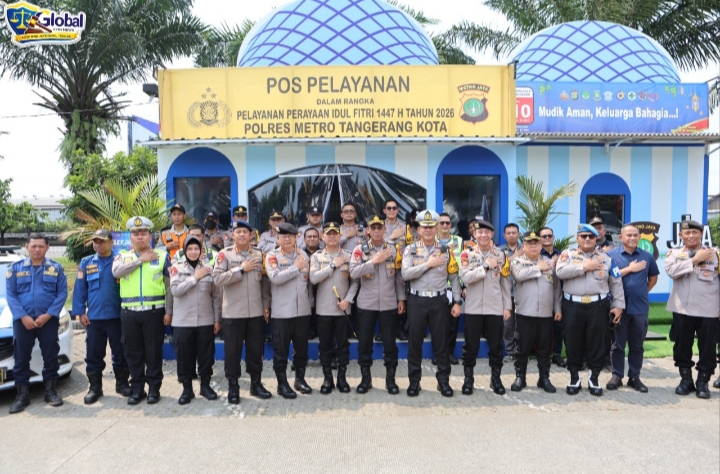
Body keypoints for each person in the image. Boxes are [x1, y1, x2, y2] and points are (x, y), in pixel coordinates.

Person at [556, 224, 624, 396]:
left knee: (597, 342)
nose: (587, 239)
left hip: (598, 306)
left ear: (596, 239)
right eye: (583, 236)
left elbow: (616, 282)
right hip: (573, 305)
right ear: (577, 238)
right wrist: (584, 267)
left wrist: (618, 305)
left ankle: (594, 378)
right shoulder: (567, 255)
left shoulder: (606, 258)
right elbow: (560, 272)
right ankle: (574, 377)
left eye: (591, 236)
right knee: (573, 342)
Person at [112, 216, 174, 405]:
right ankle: (137, 389)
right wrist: (141, 260)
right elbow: (116, 272)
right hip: (129, 313)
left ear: (150, 236)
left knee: (153, 352)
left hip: (154, 312)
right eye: (135, 233)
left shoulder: (162, 256)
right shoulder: (122, 256)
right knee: (133, 353)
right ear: (130, 237)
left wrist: (169, 311)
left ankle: (154, 389)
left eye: (143, 233)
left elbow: (169, 286)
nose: (140, 237)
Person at [402, 210, 462, 397]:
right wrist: (428, 264)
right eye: (424, 227)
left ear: (436, 228)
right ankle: (414, 382)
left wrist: (457, 301)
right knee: (415, 343)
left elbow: (454, 277)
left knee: (441, 343)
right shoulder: (410, 249)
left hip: (439, 300)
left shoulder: (446, 251)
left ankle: (443, 381)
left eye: (431, 227)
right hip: (417, 300)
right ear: (418, 229)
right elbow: (405, 274)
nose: (428, 230)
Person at [7, 233, 67, 414]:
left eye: (41, 246)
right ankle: (22, 395)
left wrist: (48, 315)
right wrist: (23, 317)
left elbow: (62, 293)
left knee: (51, 355)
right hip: (23, 321)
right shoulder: (15, 269)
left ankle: (50, 391)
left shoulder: (56, 268)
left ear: (47, 247)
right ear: (26, 247)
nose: (37, 249)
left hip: (48, 321)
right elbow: (11, 295)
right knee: (21, 358)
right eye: (33, 246)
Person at [212, 220, 272, 404]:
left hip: (255, 312)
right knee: (232, 353)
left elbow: (264, 283)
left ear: (251, 235)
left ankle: (256, 383)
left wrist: (266, 304)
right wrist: (240, 269)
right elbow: (217, 278)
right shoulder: (224, 254)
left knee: (255, 351)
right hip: (233, 313)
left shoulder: (259, 254)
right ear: (232, 235)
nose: (242, 234)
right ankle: (233, 386)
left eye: (245, 232)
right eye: (238, 232)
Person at [72, 230, 131, 405]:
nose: (98, 244)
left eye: (102, 241)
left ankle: (122, 384)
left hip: (117, 317)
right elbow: (80, 289)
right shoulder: (87, 263)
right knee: (93, 354)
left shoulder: (120, 261)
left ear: (111, 242)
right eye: (95, 242)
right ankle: (95, 388)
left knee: (120, 352)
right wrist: (80, 312)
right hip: (94, 319)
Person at [349, 215, 406, 394]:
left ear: (384, 229)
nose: (376, 231)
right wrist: (373, 261)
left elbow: (398, 276)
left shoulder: (393, 249)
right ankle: (366, 379)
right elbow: (353, 272)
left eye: (379, 227)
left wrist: (401, 298)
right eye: (372, 228)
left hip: (389, 303)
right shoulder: (360, 249)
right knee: (364, 344)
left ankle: (391, 380)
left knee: (390, 344)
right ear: (368, 230)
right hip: (366, 304)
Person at [665, 219, 719, 399]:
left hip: (709, 309)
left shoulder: (716, 254)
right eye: (686, 233)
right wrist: (695, 260)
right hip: (683, 308)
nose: (691, 235)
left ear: (701, 234)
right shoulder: (674, 254)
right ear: (680, 235)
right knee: (681, 346)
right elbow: (671, 271)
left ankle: (703, 381)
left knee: (708, 348)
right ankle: (686, 379)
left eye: (695, 232)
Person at [459, 219, 512, 395]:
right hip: (473, 308)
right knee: (470, 346)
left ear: (492, 234)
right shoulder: (466, 254)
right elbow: (466, 278)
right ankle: (468, 380)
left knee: (496, 346)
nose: (483, 235)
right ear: (474, 234)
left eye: (487, 232)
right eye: (480, 232)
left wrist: (507, 306)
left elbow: (505, 283)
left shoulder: (500, 255)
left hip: (494, 307)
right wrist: (485, 266)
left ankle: (496, 379)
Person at [169, 237, 223, 404]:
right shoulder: (176, 268)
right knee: (184, 357)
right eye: (190, 249)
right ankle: (187, 389)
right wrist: (195, 278)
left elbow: (216, 296)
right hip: (183, 322)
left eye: (196, 249)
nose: (193, 252)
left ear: (201, 251)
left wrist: (217, 319)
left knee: (206, 356)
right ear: (185, 251)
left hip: (205, 321)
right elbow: (176, 290)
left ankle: (205, 386)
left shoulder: (209, 269)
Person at [606, 225, 660, 393]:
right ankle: (616, 375)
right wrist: (629, 269)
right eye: (628, 235)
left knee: (637, 346)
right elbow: (608, 277)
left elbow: (653, 279)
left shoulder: (647, 256)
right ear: (621, 237)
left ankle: (634, 377)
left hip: (639, 308)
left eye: (635, 235)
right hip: (618, 308)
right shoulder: (611, 256)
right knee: (617, 345)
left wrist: (641, 292)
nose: (632, 238)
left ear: (639, 237)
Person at [310, 222, 359, 394]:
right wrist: (332, 265)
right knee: (325, 345)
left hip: (343, 309)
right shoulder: (316, 257)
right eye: (328, 234)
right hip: (323, 309)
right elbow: (313, 278)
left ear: (339, 236)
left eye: (335, 233)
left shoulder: (348, 255)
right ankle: (327, 379)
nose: (331, 236)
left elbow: (355, 282)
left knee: (343, 345)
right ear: (323, 237)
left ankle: (342, 378)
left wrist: (348, 300)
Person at [510, 231, 562, 393]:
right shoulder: (517, 262)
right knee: (522, 348)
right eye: (529, 243)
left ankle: (544, 378)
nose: (533, 246)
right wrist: (537, 268)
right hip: (525, 313)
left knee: (544, 348)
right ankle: (520, 377)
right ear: (524, 246)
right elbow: (518, 276)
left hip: (545, 314)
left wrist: (557, 308)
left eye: (536, 243)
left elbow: (556, 288)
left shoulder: (549, 263)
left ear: (541, 246)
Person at [265, 222, 313, 398]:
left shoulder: (303, 256)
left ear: (296, 238)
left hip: (302, 312)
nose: (287, 239)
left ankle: (300, 379)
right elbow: (275, 278)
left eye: (290, 236)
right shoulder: (272, 256)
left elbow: (308, 284)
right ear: (277, 238)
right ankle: (282, 383)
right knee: (281, 351)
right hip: (282, 313)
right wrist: (295, 268)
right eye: (283, 236)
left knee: (301, 349)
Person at [436, 212, 463, 365]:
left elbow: (465, 262)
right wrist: (445, 248)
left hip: (454, 287)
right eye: (442, 223)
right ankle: (438, 354)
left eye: (447, 223)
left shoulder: (459, 241)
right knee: (437, 323)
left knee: (453, 323)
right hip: (437, 287)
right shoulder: (431, 241)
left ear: (451, 225)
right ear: (437, 225)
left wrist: (463, 286)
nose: (445, 225)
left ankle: (449, 353)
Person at [539, 226, 566, 368]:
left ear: (553, 237)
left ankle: (557, 354)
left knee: (558, 327)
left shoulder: (562, 254)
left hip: (560, 293)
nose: (547, 238)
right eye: (544, 236)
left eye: (549, 236)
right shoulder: (537, 255)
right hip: (542, 295)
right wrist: (551, 262)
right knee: (543, 328)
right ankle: (543, 355)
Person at [498, 223, 523, 362]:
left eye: (514, 233)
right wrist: (515, 256)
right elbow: (498, 266)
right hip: (506, 293)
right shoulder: (499, 251)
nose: (511, 235)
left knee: (522, 325)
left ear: (519, 234)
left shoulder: (526, 249)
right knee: (508, 325)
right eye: (509, 233)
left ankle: (520, 351)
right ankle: (509, 351)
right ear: (504, 235)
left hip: (523, 293)